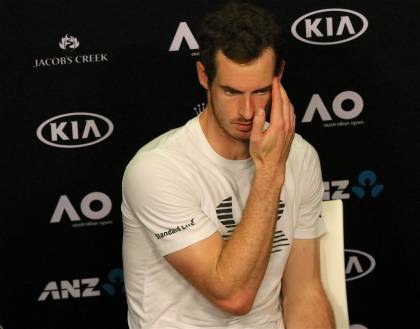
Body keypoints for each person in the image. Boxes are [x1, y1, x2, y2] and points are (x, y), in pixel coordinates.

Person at [121, 2, 335, 328]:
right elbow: (232, 296)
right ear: (204, 76)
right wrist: (270, 170)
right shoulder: (157, 169)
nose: (247, 111)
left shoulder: (301, 156)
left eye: (261, 91)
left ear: (279, 76)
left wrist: (277, 162)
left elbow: (303, 292)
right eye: (231, 92)